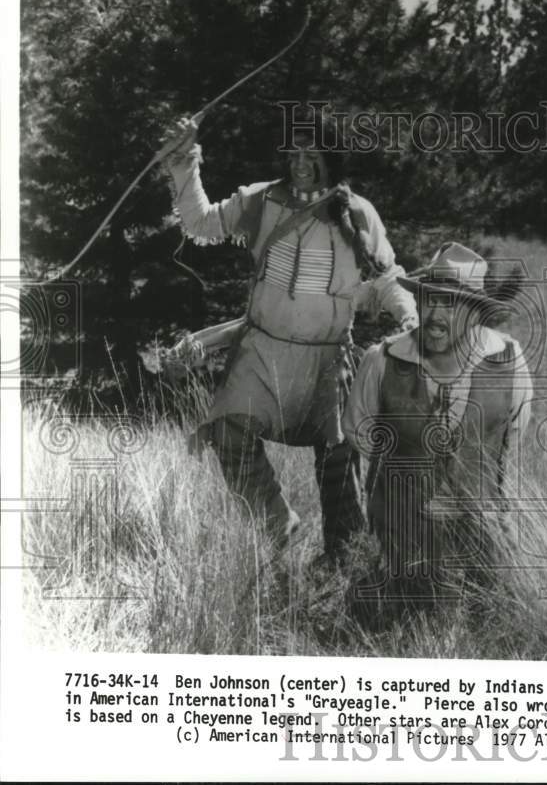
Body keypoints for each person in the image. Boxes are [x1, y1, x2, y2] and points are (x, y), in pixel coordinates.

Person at [157, 116, 417, 554]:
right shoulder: (262, 199)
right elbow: (200, 223)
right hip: (262, 352)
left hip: (328, 357)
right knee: (228, 433)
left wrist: (409, 318)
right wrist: (185, 163)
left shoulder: (356, 212)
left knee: (337, 460)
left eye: (311, 155)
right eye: (294, 154)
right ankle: (277, 523)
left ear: (330, 158)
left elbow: (388, 276)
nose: (300, 164)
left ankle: (343, 556)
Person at [343, 242, 533, 613]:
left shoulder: (510, 362)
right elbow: (360, 435)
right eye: (430, 299)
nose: (435, 314)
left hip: (480, 557)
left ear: (476, 311)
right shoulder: (380, 361)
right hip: (398, 551)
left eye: (452, 303)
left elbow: (509, 436)